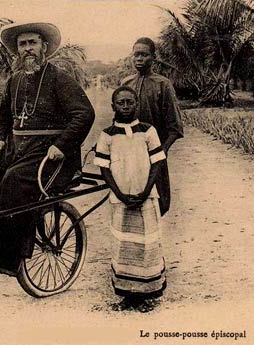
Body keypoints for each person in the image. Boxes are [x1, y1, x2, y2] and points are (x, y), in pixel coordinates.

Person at [0, 22, 95, 275]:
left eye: (33, 43)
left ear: (44, 47)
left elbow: (84, 114)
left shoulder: (59, 79)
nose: (28, 49)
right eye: (23, 44)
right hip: (15, 150)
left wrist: (61, 145)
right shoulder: (14, 81)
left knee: (14, 180)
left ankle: (5, 258)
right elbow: (1, 116)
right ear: (17, 50)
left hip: (49, 154)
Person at [94, 86, 167, 312]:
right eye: (121, 102)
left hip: (146, 197)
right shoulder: (107, 135)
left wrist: (146, 191)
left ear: (137, 104)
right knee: (123, 244)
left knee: (147, 243)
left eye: (130, 102)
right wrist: (120, 193)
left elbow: (157, 162)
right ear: (113, 106)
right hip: (121, 199)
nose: (126, 106)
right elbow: (104, 169)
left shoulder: (148, 131)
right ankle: (127, 295)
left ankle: (147, 293)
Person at [120, 37, 183, 215]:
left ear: (153, 58)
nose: (139, 59)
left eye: (144, 55)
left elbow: (175, 127)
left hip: (153, 153)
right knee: (130, 199)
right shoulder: (127, 83)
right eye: (136, 55)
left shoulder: (163, 84)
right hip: (129, 152)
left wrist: (161, 152)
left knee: (157, 202)